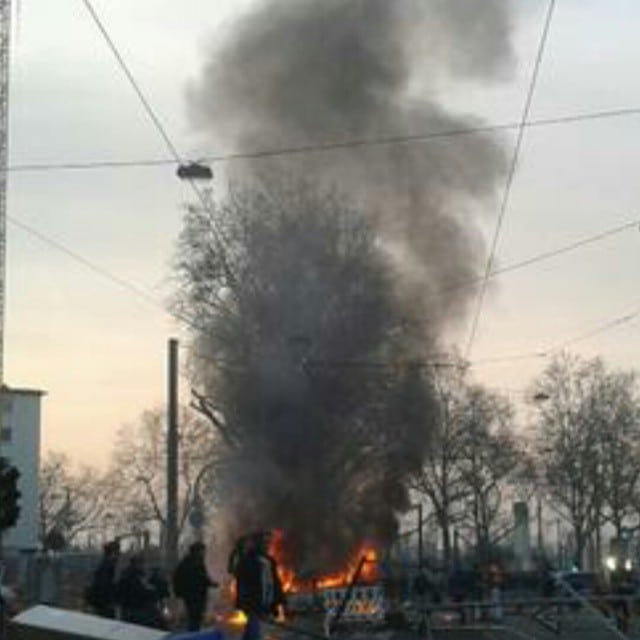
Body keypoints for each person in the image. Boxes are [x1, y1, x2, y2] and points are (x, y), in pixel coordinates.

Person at [235, 531, 285, 640]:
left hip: (266, 604)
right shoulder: (246, 561)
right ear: (257, 544)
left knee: (254, 632)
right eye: (264, 543)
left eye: (268, 543)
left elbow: (275, 583)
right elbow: (241, 585)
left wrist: (278, 602)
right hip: (253, 605)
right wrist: (244, 604)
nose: (267, 545)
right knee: (255, 633)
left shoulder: (270, 561)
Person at [173, 542, 219, 631]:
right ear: (197, 551)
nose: (204, 552)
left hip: (191, 595)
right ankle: (193, 635)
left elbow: (177, 577)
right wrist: (211, 583)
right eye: (202, 550)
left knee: (194, 618)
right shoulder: (195, 562)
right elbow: (200, 577)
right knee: (195, 618)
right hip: (195, 595)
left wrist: (179, 593)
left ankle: (192, 633)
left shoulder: (187, 562)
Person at [116, 554, 158, 627]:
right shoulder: (135, 576)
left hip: (128, 608)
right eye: (142, 563)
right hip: (136, 609)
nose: (143, 566)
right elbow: (139, 591)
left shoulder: (126, 574)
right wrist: (150, 590)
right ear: (137, 564)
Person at [86, 540, 120, 618]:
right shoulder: (108, 566)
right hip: (104, 605)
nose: (118, 555)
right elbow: (104, 586)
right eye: (117, 553)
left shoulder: (104, 564)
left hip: (102, 603)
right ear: (112, 553)